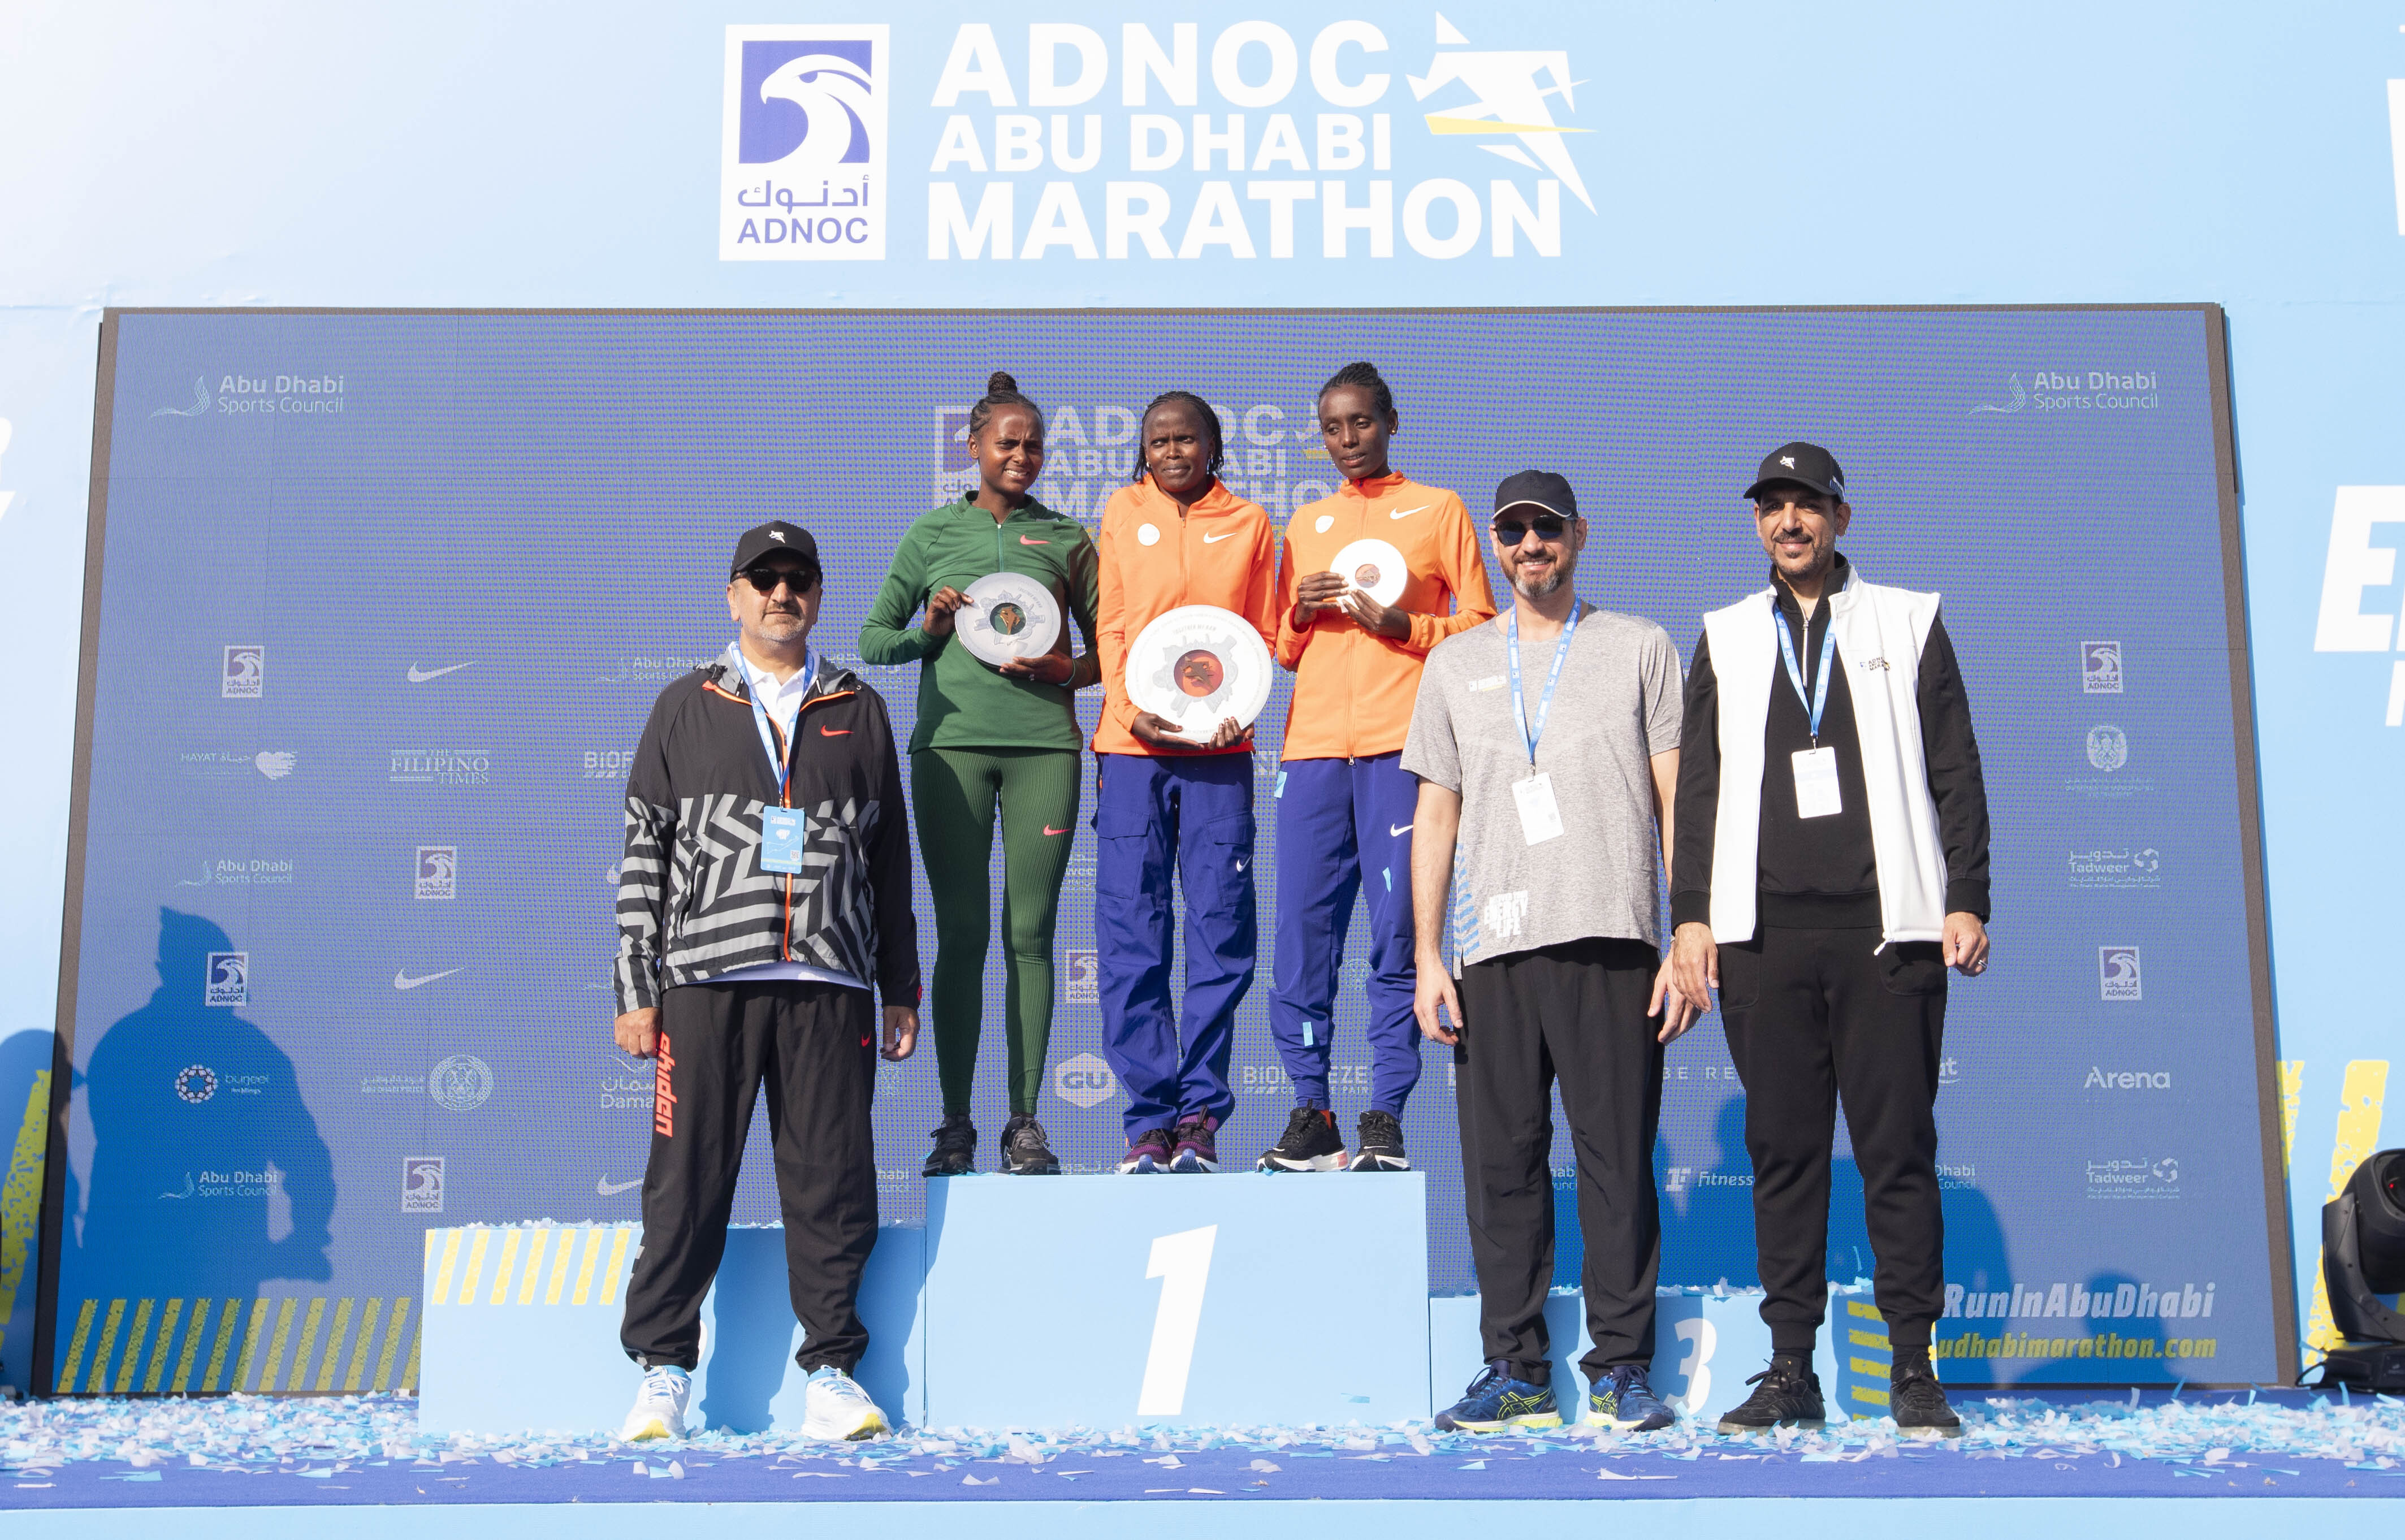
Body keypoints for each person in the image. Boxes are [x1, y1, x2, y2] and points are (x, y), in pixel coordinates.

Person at [1666, 442, 1991, 1439]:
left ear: (1840, 517)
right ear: (1756, 523)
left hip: (1889, 935)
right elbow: (1699, 788)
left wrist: (1966, 897)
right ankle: (1790, 1369)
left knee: (1897, 1151)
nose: (1789, 522)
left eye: (1806, 505)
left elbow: (1955, 768)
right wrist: (1690, 915)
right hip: (1761, 938)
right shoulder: (1725, 633)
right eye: (1772, 507)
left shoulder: (1907, 618)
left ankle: (1912, 1369)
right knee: (1784, 1155)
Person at [611, 521, 920, 1444]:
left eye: (799, 579)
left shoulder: (858, 704)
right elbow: (643, 851)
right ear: (734, 594)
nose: (782, 593)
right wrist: (635, 987)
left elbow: (889, 860)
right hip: (706, 976)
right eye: (764, 579)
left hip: (830, 977)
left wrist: (899, 984)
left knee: (833, 1182)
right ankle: (662, 1371)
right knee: (686, 1179)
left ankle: (832, 1372)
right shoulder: (685, 703)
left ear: (818, 596)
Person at [1405, 471, 1689, 1433]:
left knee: (1615, 1165)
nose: (1531, 544)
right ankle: (1515, 1369)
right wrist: (1427, 956)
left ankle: (1621, 1367)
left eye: (1547, 528)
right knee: (1502, 1171)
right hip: (1491, 948)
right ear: (1495, 544)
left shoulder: (1639, 646)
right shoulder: (1453, 663)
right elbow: (1435, 814)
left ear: (1579, 534)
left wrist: (1685, 933)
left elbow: (1676, 801)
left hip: (1612, 937)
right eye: (1513, 530)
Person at [1259, 361, 1497, 1173]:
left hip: (1404, 749)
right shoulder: (1308, 522)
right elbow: (1283, 649)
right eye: (1332, 427)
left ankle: (1385, 1113)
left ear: (1391, 422)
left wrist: (1406, 626)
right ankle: (1310, 1108)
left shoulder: (1438, 509)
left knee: (1400, 933)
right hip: (1312, 752)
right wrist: (1299, 613)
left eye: (1360, 422)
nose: (1347, 439)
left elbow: (1480, 625)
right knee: (1301, 935)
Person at [860, 371, 1100, 1176]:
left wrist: (1067, 670)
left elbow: (1113, 651)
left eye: (1034, 445)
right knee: (962, 934)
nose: (1021, 456)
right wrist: (930, 630)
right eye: (1007, 443)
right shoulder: (932, 533)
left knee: (1031, 935)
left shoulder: (1066, 537)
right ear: (973, 448)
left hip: (1044, 751)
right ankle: (955, 1124)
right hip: (952, 751)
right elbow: (874, 641)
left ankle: (1024, 1122)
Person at [1092, 391, 1279, 1174]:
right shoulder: (1120, 512)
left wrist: (1242, 710)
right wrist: (1130, 712)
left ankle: (1198, 1116)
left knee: (1218, 935)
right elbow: (1110, 626)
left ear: (1213, 446)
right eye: (1158, 441)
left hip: (1218, 758)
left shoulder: (1251, 523)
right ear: (1143, 450)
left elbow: (1260, 636)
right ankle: (1147, 1122)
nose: (1172, 452)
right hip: (1131, 752)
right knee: (1130, 937)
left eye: (1186, 439)